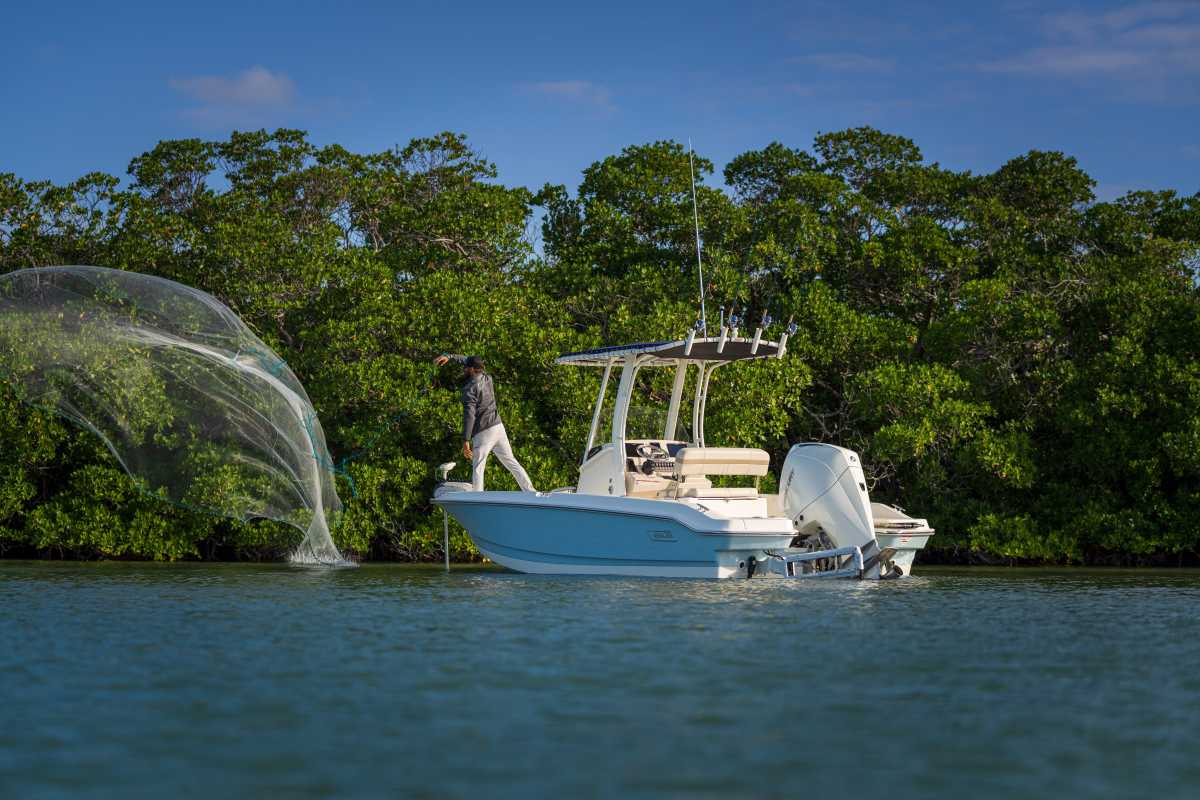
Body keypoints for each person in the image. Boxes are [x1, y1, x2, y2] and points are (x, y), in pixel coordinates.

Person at [433, 353, 536, 493]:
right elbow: (469, 360)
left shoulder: (469, 389)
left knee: (478, 466)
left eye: (466, 367)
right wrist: (450, 357)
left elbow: (469, 416)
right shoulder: (488, 377)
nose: (464, 368)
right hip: (498, 427)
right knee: (511, 461)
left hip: (483, 432)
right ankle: (531, 491)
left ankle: (477, 495)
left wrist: (465, 441)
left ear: (472, 369)